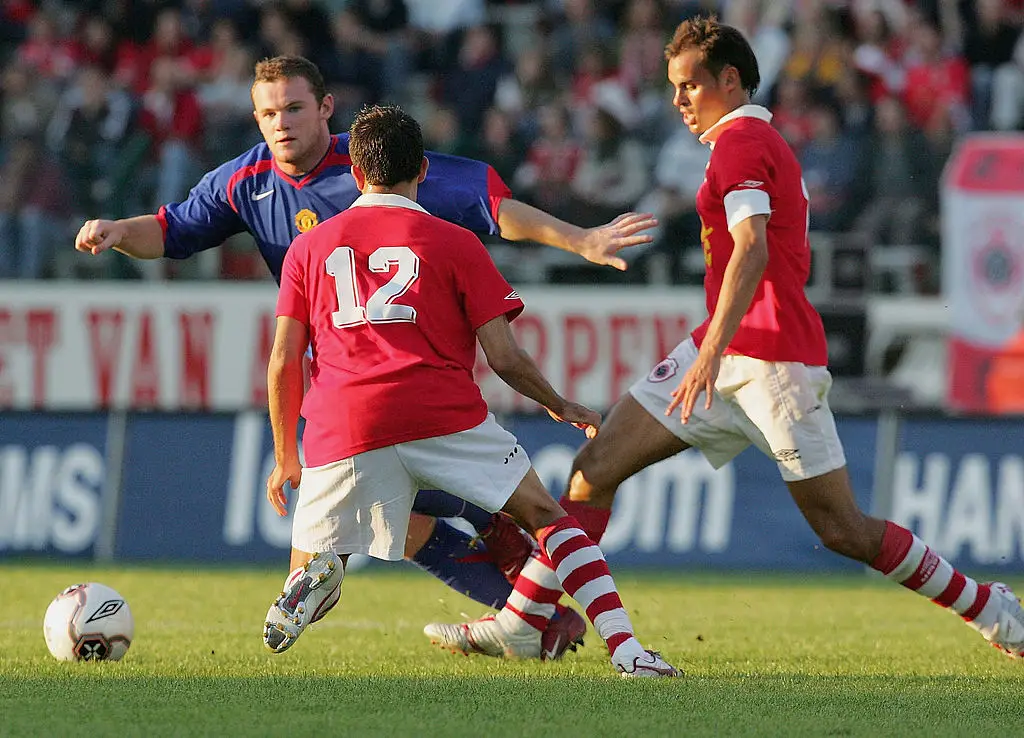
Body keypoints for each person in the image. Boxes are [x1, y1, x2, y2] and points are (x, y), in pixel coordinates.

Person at [425, 16, 1024, 661]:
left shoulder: (741, 145)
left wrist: (711, 352)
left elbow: (752, 248)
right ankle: (523, 621)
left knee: (843, 528)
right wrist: (711, 348)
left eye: (689, 86)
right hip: (721, 348)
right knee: (592, 470)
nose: (678, 101)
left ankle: (989, 607)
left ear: (730, 81)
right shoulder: (742, 144)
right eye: (673, 87)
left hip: (769, 363)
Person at [73, 55, 656, 652]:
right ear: (255, 118)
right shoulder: (244, 181)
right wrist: (120, 230)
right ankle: (526, 602)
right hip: (376, 384)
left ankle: (502, 569)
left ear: (327, 109)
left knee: (383, 520)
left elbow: (492, 206)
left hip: (376, 387)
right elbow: (171, 229)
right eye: (268, 113)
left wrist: (580, 237)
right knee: (407, 527)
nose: (282, 123)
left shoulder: (375, 160)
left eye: (295, 108)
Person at [261, 104, 679, 678]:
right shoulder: (455, 242)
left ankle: (319, 573)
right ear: (424, 170)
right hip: (439, 413)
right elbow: (503, 358)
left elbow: (284, 359)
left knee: (312, 566)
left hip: (343, 422)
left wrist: (287, 455)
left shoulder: (308, 249)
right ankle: (629, 651)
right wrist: (559, 404)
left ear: (355, 175)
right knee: (548, 517)